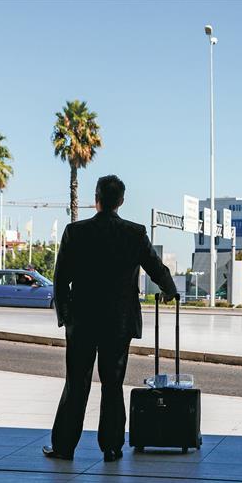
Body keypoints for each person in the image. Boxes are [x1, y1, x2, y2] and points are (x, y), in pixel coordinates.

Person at [43, 175, 178, 463]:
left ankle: (64, 447)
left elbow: (60, 279)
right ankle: (112, 447)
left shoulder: (75, 232)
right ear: (121, 201)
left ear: (97, 198)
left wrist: (65, 316)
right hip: (118, 323)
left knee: (76, 383)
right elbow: (156, 267)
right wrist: (171, 290)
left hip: (82, 321)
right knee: (112, 384)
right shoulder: (134, 233)